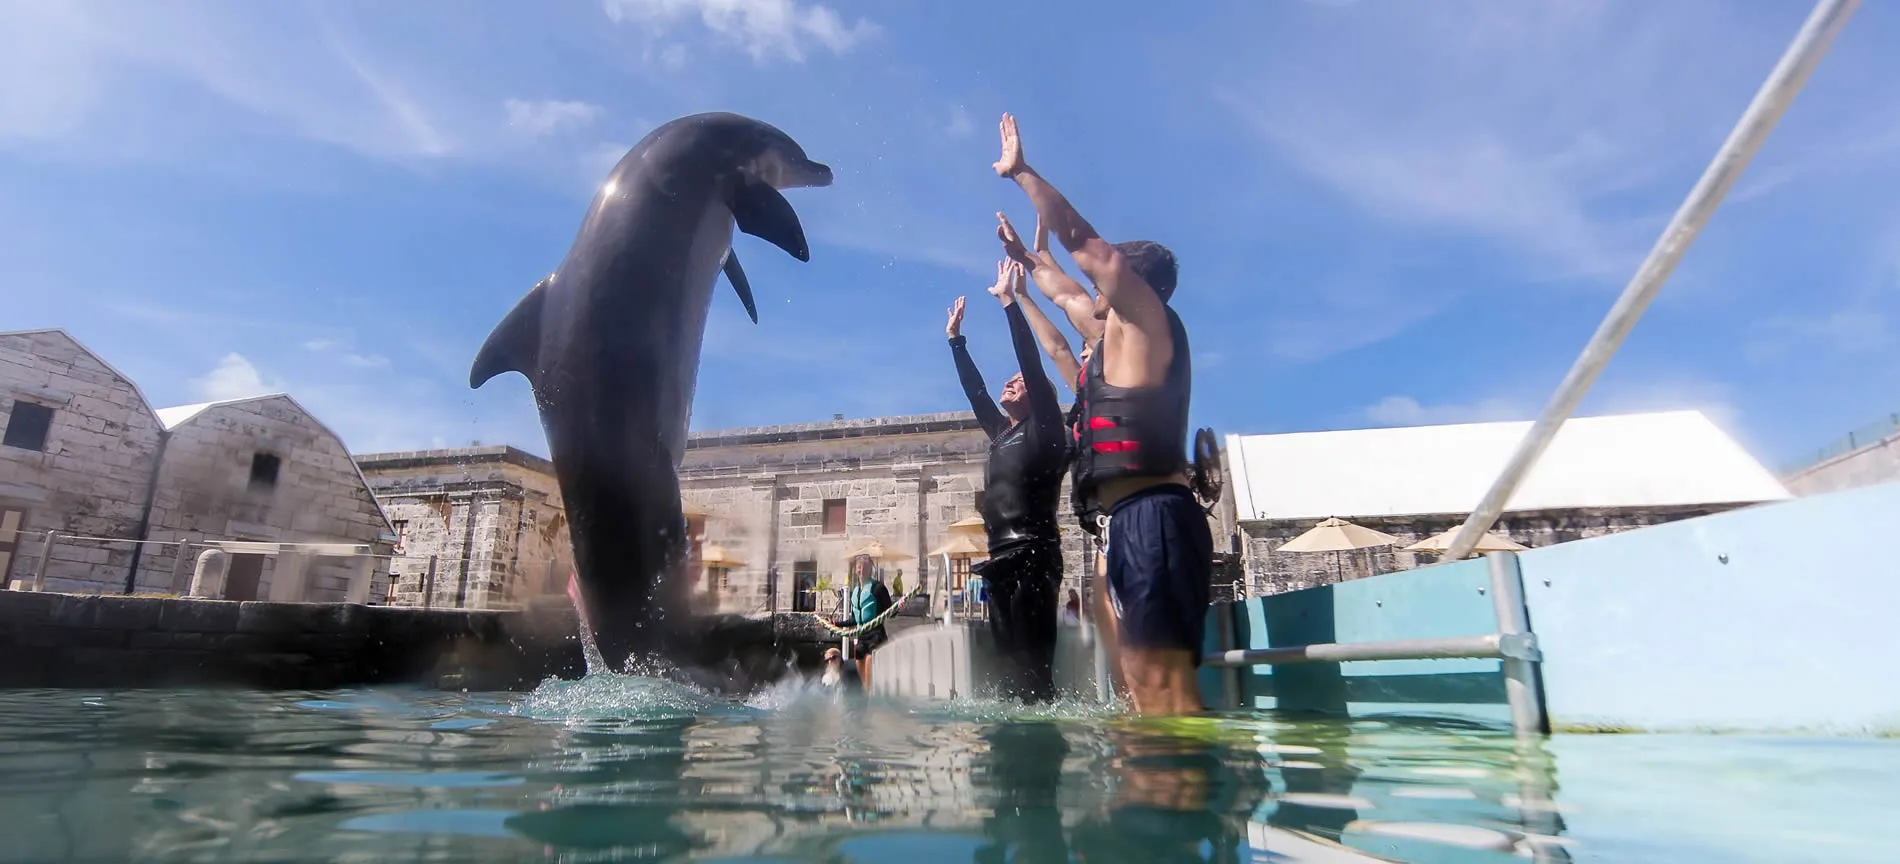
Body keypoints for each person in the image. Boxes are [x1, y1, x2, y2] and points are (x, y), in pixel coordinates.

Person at [993, 112, 1213, 716]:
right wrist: (1025, 268)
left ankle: (1181, 803)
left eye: (1102, 280)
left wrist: (1023, 174)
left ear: (1129, 284)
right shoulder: (1110, 343)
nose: (1085, 291)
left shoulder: (1147, 325)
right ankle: (1144, 796)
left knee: (1164, 699)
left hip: (1153, 518)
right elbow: (1064, 298)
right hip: (1115, 528)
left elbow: (1086, 248)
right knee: (1129, 700)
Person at [947, 258, 1071, 703]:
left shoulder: (1046, 430)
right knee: (1006, 673)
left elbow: (1031, 362)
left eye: (1021, 383)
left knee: (1034, 671)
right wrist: (956, 342)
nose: (1012, 381)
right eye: (1012, 380)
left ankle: (1042, 742)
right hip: (999, 558)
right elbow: (976, 393)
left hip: (1033, 554)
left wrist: (1008, 302)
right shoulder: (1002, 434)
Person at [839, 554, 893, 689]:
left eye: (864, 567)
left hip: (876, 636)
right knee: (864, 682)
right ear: (855, 569)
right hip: (862, 636)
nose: (861, 570)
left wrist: (899, 607)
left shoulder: (878, 588)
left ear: (870, 570)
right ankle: (869, 700)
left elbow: (890, 612)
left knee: (869, 671)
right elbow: (855, 619)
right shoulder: (856, 591)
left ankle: (872, 702)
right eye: (858, 567)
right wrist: (835, 623)